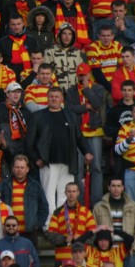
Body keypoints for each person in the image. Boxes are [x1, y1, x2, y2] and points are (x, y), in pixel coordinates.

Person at [25, 87, 92, 223]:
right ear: (47, 98)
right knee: (48, 193)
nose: (54, 99)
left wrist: (87, 151)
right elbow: (29, 142)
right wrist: (36, 159)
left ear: (62, 99)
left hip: (68, 160)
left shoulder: (70, 115)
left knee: (65, 194)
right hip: (47, 161)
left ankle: (63, 224)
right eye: (51, 96)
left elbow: (79, 136)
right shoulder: (38, 116)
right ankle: (49, 224)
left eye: (57, 96)